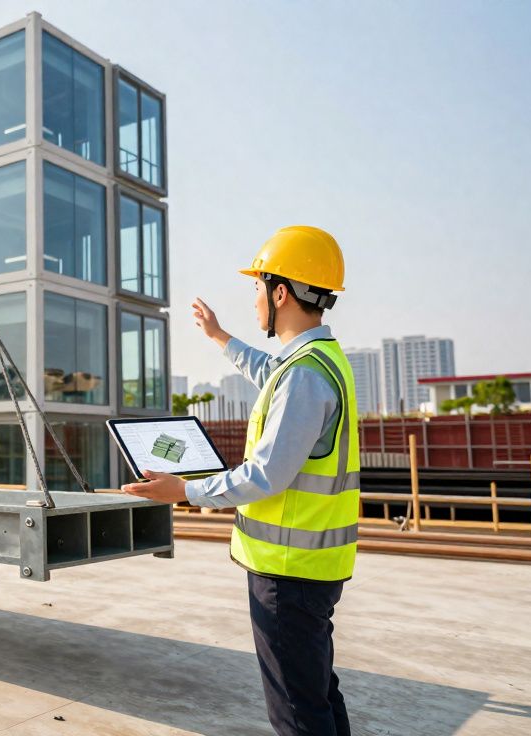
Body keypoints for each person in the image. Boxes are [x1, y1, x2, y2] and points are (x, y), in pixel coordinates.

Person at [124, 225, 358, 736]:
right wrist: (219, 337)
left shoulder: (303, 375)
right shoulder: (318, 361)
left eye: (257, 288)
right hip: (312, 567)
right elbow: (267, 369)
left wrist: (182, 490)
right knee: (316, 693)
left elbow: (266, 475)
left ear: (280, 293)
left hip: (287, 574)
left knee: (298, 711)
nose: (253, 299)